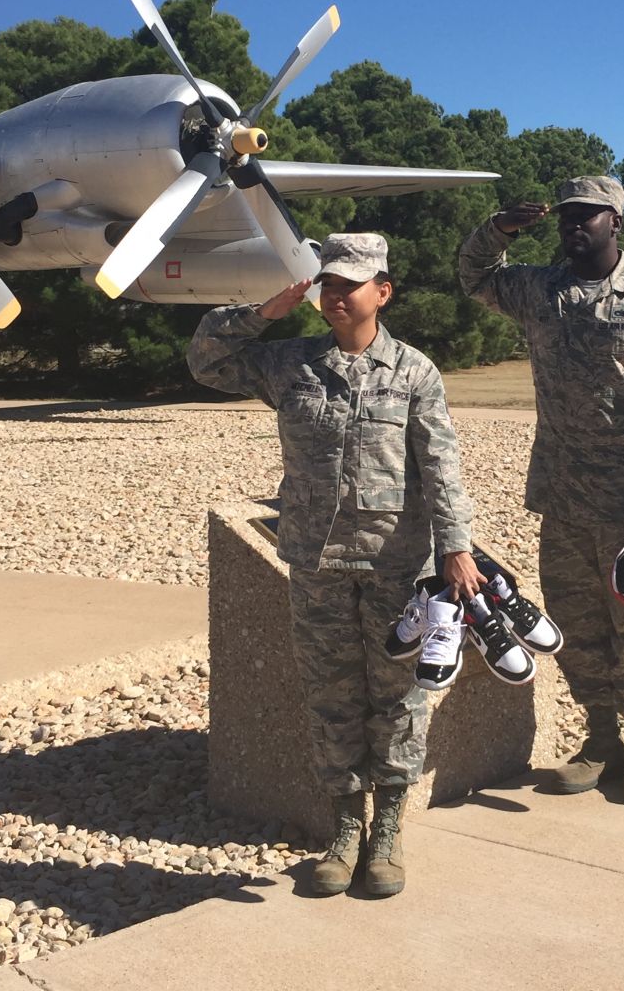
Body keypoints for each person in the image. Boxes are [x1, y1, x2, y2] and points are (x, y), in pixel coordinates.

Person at [187, 233, 482, 896]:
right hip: (316, 561)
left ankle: (389, 831)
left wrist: (456, 546)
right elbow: (206, 362)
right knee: (331, 696)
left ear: (383, 291)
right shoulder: (290, 364)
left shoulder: (413, 371)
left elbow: (440, 465)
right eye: (328, 282)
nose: (336, 294)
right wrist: (261, 314)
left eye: (351, 283)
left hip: (395, 564)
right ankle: (345, 827)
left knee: (400, 698)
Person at [459, 175, 624, 803]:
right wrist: (498, 228)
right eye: (568, 216)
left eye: (589, 216)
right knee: (576, 621)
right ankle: (599, 736)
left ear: (616, 224)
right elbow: (474, 275)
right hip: (562, 496)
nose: (575, 225)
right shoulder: (539, 290)